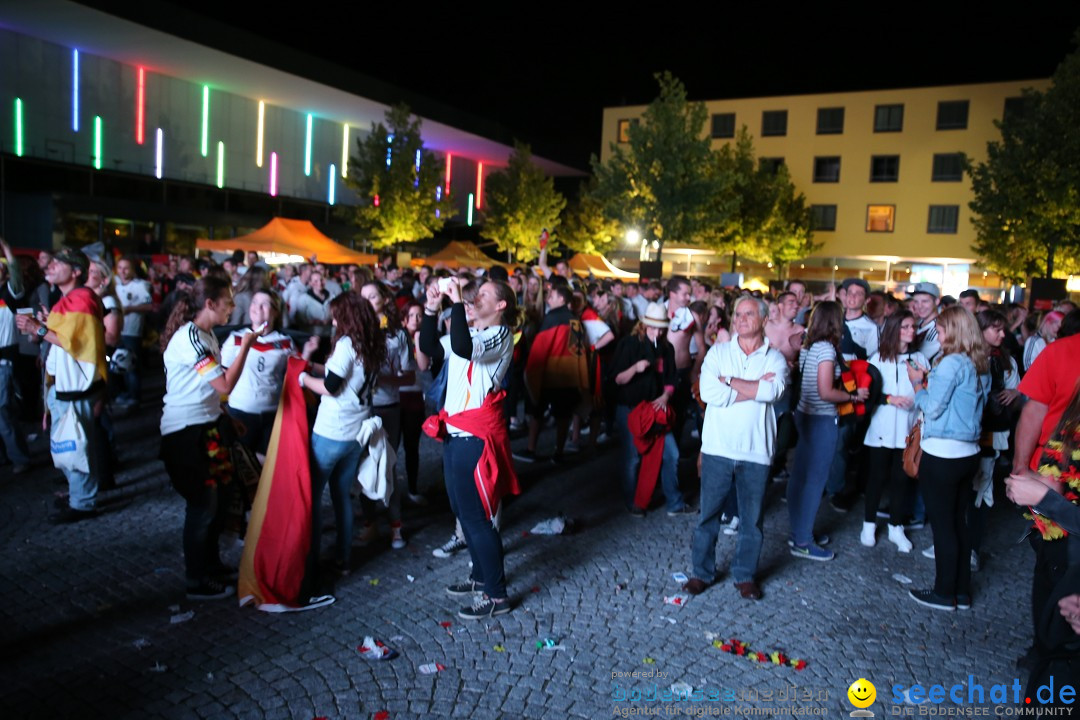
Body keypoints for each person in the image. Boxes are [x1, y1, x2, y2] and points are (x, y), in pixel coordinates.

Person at [421, 277, 520, 620]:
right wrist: (431, 309)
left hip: (475, 439)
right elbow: (431, 348)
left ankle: (497, 595)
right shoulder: (473, 332)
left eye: (484, 294)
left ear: (501, 305)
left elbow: (463, 348)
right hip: (455, 433)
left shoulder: (500, 334)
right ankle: (480, 578)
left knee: (478, 520)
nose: (476, 297)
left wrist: (458, 303)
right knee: (463, 514)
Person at [157, 276, 262, 599]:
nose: (233, 307)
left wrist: (227, 417)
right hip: (185, 434)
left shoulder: (206, 334)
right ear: (209, 304)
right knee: (202, 506)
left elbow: (209, 389)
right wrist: (245, 347)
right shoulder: (191, 339)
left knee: (216, 501)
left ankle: (210, 565)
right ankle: (196, 580)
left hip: (208, 426)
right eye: (228, 301)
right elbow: (225, 385)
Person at [685, 296, 787, 600]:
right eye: (738, 314)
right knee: (708, 517)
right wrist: (752, 387)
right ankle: (701, 573)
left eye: (749, 314)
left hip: (756, 450)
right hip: (718, 447)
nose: (741, 319)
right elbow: (707, 392)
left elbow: (774, 391)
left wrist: (728, 381)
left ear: (764, 319)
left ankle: (745, 576)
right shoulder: (718, 352)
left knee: (751, 520)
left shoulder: (775, 358)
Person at [904, 306, 989, 611]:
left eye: (939, 330)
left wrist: (917, 382)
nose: (936, 335)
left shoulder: (952, 362)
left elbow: (933, 406)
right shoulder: (976, 361)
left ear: (953, 331)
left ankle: (943, 593)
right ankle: (961, 592)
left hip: (943, 453)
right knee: (958, 523)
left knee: (943, 526)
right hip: (967, 453)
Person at [16, 248, 108, 524]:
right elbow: (70, 337)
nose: (51, 266)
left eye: (58, 263)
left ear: (76, 271)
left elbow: (76, 343)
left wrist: (39, 329)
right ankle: (80, 496)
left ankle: (83, 502)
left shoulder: (81, 298)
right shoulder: (70, 299)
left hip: (74, 387)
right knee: (73, 443)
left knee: (76, 444)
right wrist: (43, 325)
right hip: (65, 385)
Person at [298, 292, 385, 577]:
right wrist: (313, 366)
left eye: (337, 315)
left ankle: (308, 558)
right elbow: (344, 375)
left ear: (347, 317)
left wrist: (303, 378)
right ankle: (343, 559)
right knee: (341, 497)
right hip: (355, 432)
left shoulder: (347, 343)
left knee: (311, 495)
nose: (333, 320)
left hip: (332, 430)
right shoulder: (370, 343)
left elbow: (332, 386)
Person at [786, 301, 868, 561]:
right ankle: (803, 540)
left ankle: (799, 530)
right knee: (814, 482)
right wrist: (853, 396)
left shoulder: (810, 345)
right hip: (820, 418)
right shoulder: (826, 350)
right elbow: (825, 392)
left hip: (805, 413)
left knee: (800, 476)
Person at [610, 302, 688, 517]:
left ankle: (674, 502)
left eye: (661, 328)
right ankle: (632, 501)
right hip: (631, 407)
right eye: (653, 327)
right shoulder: (629, 344)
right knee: (632, 457)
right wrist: (635, 368)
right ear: (644, 325)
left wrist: (665, 396)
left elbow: (672, 379)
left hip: (655, 409)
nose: (658, 331)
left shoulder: (666, 348)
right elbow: (617, 378)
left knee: (671, 454)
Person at [223, 289, 317, 456]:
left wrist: (308, 352)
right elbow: (223, 378)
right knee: (242, 465)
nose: (257, 307)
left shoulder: (286, 342)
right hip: (239, 412)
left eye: (264, 304)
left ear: (276, 311)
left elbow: (295, 374)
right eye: (254, 302)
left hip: (273, 413)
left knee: (269, 467)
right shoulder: (235, 339)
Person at [862, 311, 926, 552]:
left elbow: (927, 390)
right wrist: (889, 399)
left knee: (902, 479)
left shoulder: (919, 358)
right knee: (876, 479)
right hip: (880, 428)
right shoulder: (877, 359)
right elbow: (866, 394)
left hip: (908, 430)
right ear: (894, 330)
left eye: (913, 326)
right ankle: (868, 524)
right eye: (906, 326)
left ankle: (896, 527)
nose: (911, 330)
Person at [360, 281, 417, 550]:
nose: (368, 301)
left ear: (384, 299)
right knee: (362, 467)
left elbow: (409, 375)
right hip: (360, 409)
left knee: (388, 466)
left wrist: (384, 378)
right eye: (364, 297)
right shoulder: (357, 331)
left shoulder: (398, 334)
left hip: (388, 408)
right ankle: (369, 523)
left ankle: (396, 525)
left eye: (373, 296)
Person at [0, 237, 31, 475]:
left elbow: (16, 276)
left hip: (3, 362)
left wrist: (8, 249)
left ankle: (19, 457)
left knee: (4, 413)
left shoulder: (10, 295)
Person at [114, 257, 153, 410]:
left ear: (132, 270)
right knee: (117, 364)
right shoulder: (115, 286)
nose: (123, 271)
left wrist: (131, 309)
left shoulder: (140, 285)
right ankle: (125, 393)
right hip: (117, 331)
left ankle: (135, 396)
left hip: (132, 332)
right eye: (120, 268)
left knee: (131, 366)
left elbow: (149, 306)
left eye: (126, 268)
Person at [908, 282, 941, 364]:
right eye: (916, 301)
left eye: (925, 301)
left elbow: (920, 360)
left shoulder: (939, 327)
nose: (919, 306)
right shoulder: (918, 322)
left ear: (936, 301)